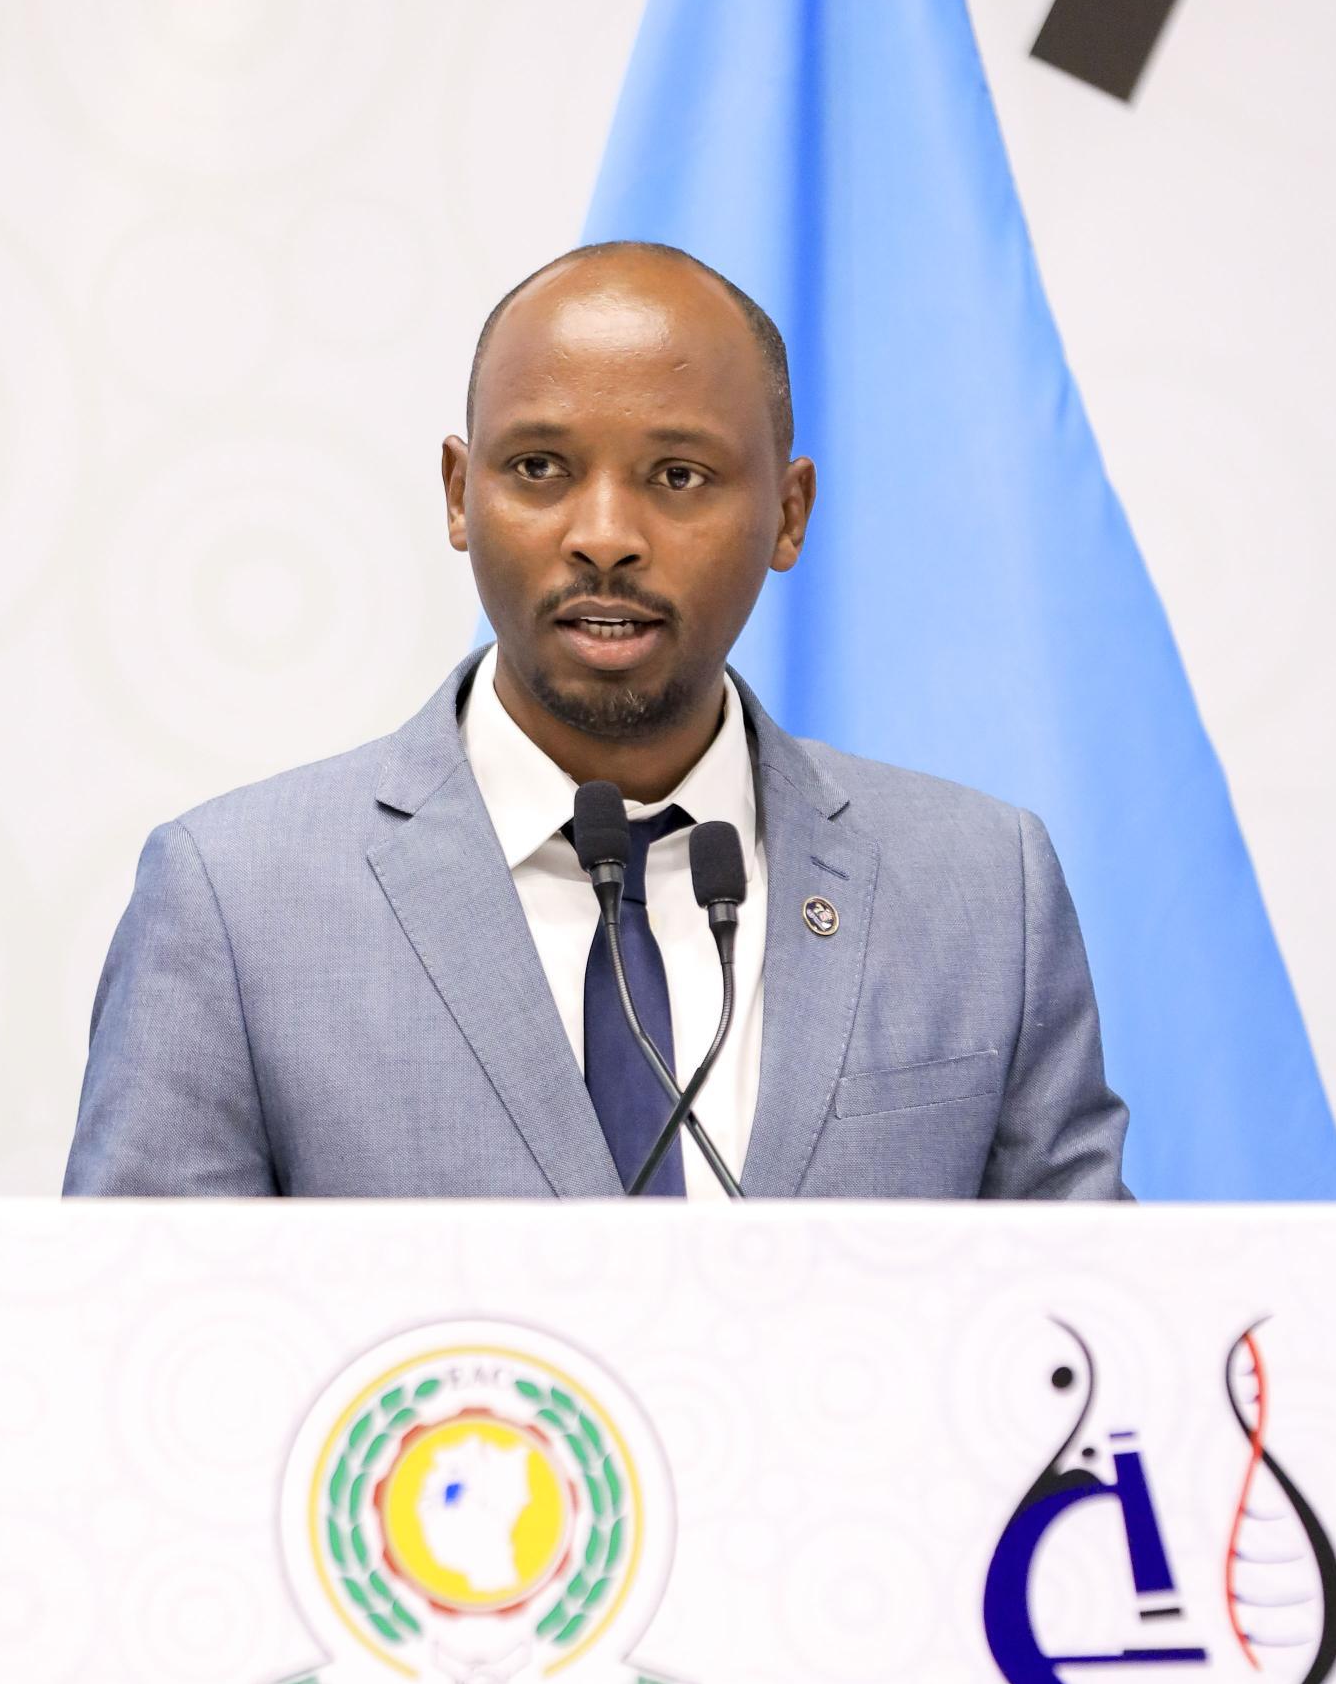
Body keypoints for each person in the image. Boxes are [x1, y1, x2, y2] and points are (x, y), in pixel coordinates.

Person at [65, 241, 1127, 1202]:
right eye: (539, 469)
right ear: (455, 492)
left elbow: (1102, 1341)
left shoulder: (983, 890)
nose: (606, 536)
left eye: (677, 475)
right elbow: (133, 1356)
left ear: (787, 514)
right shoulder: (236, 902)